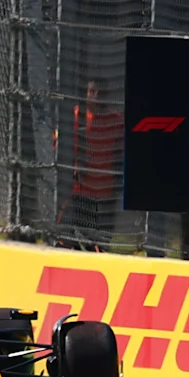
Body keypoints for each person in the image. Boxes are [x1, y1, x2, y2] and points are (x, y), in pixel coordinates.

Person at [61, 79, 123, 250]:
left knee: (100, 241)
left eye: (99, 92)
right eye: (92, 91)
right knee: (69, 234)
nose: (96, 96)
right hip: (82, 188)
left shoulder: (116, 120)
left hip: (105, 190)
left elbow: (120, 151)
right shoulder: (77, 115)